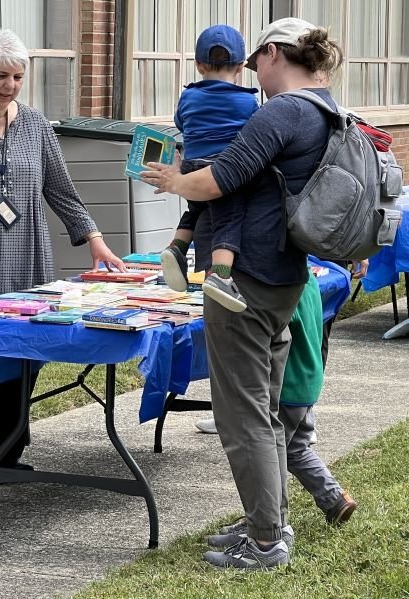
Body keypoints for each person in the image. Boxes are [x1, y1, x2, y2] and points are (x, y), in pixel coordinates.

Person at [142, 17, 344, 570]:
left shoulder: (284, 110)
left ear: (275, 53)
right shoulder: (328, 110)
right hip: (284, 274)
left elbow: (218, 179)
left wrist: (171, 181)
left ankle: (265, 540)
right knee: (269, 411)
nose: (253, 73)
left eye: (256, 62)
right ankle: (267, 521)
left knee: (243, 414)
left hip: (245, 281)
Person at [0, 29, 125, 477]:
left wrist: (93, 237)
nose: (9, 85)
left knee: (25, 360)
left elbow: (60, 188)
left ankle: (10, 450)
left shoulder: (35, 124)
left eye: (17, 76)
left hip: (28, 264)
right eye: (0, 76)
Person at [200, 273, 356, 551]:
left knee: (276, 449)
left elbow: (266, 332)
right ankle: (332, 499)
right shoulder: (305, 283)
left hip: (288, 387)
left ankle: (271, 521)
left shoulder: (279, 290)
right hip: (308, 382)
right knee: (295, 447)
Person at [160, 24, 258, 312]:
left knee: (196, 209)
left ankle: (176, 248)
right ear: (240, 67)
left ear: (199, 65)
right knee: (228, 219)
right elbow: (257, 132)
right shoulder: (247, 101)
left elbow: (180, 122)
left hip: (191, 167)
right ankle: (221, 276)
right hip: (222, 170)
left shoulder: (188, 97)